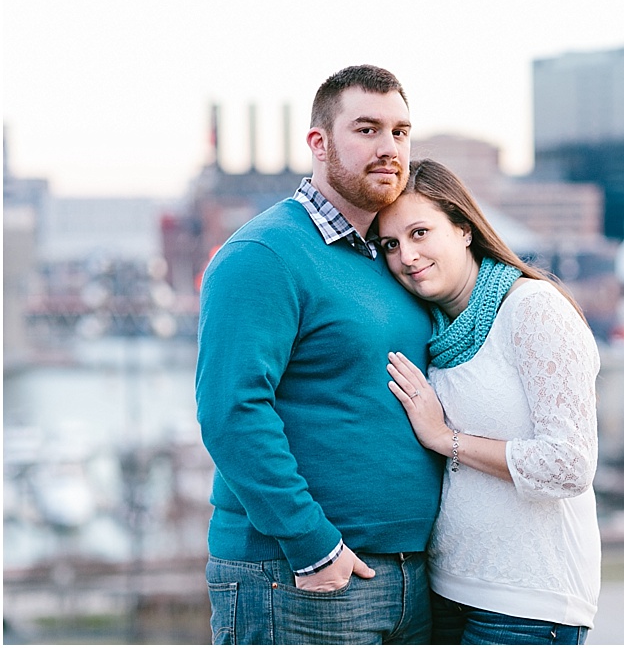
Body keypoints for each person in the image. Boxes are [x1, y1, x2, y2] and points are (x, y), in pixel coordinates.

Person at [195, 66, 442, 645]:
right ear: (319, 143)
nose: (389, 149)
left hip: (410, 575)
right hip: (297, 579)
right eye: (367, 129)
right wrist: (311, 545)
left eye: (401, 132)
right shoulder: (263, 255)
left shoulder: (392, 258)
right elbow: (231, 411)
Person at [376, 159, 602, 645]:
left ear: (462, 228)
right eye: (390, 244)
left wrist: (445, 439)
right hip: (446, 592)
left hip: (527, 605)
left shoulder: (533, 309)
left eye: (420, 232)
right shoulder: (432, 331)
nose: (406, 256)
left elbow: (570, 465)